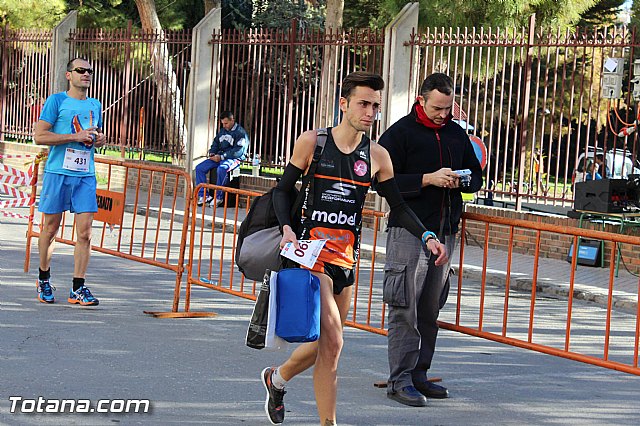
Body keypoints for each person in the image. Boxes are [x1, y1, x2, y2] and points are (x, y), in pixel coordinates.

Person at [260, 71, 448, 425]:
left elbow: (399, 205)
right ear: (343, 104)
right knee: (334, 345)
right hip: (311, 257)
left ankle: (277, 378)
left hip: (346, 262)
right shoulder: (313, 143)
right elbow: (282, 190)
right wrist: (287, 229)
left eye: (376, 106)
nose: (370, 112)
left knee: (322, 346)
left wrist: (426, 236)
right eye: (363, 103)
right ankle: (328, 423)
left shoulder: (377, 156)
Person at [378, 73, 483, 407]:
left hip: (446, 231)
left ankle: (420, 374)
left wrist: (461, 181)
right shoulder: (399, 133)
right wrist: (427, 179)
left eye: (448, 107)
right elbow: (382, 182)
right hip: (409, 233)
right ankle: (400, 380)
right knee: (404, 307)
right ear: (421, 99)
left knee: (429, 309)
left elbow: (477, 176)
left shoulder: (455, 133)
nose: (443, 114)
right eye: (437, 107)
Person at [34, 58, 106, 306]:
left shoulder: (95, 104)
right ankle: (43, 278)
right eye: (81, 70)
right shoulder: (57, 101)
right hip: (57, 172)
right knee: (50, 228)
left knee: (85, 233)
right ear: (69, 75)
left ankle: (78, 286)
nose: (86, 74)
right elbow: (39, 136)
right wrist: (74, 136)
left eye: (90, 71)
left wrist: (99, 138)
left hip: (85, 174)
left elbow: (96, 134)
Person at [194, 111, 248, 207]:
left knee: (222, 169)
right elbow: (216, 143)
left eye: (226, 123)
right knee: (199, 168)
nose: (224, 125)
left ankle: (219, 197)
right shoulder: (222, 131)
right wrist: (212, 153)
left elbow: (238, 151)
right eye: (223, 123)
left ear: (232, 120)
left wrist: (222, 156)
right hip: (219, 157)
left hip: (234, 159)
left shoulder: (240, 133)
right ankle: (203, 195)